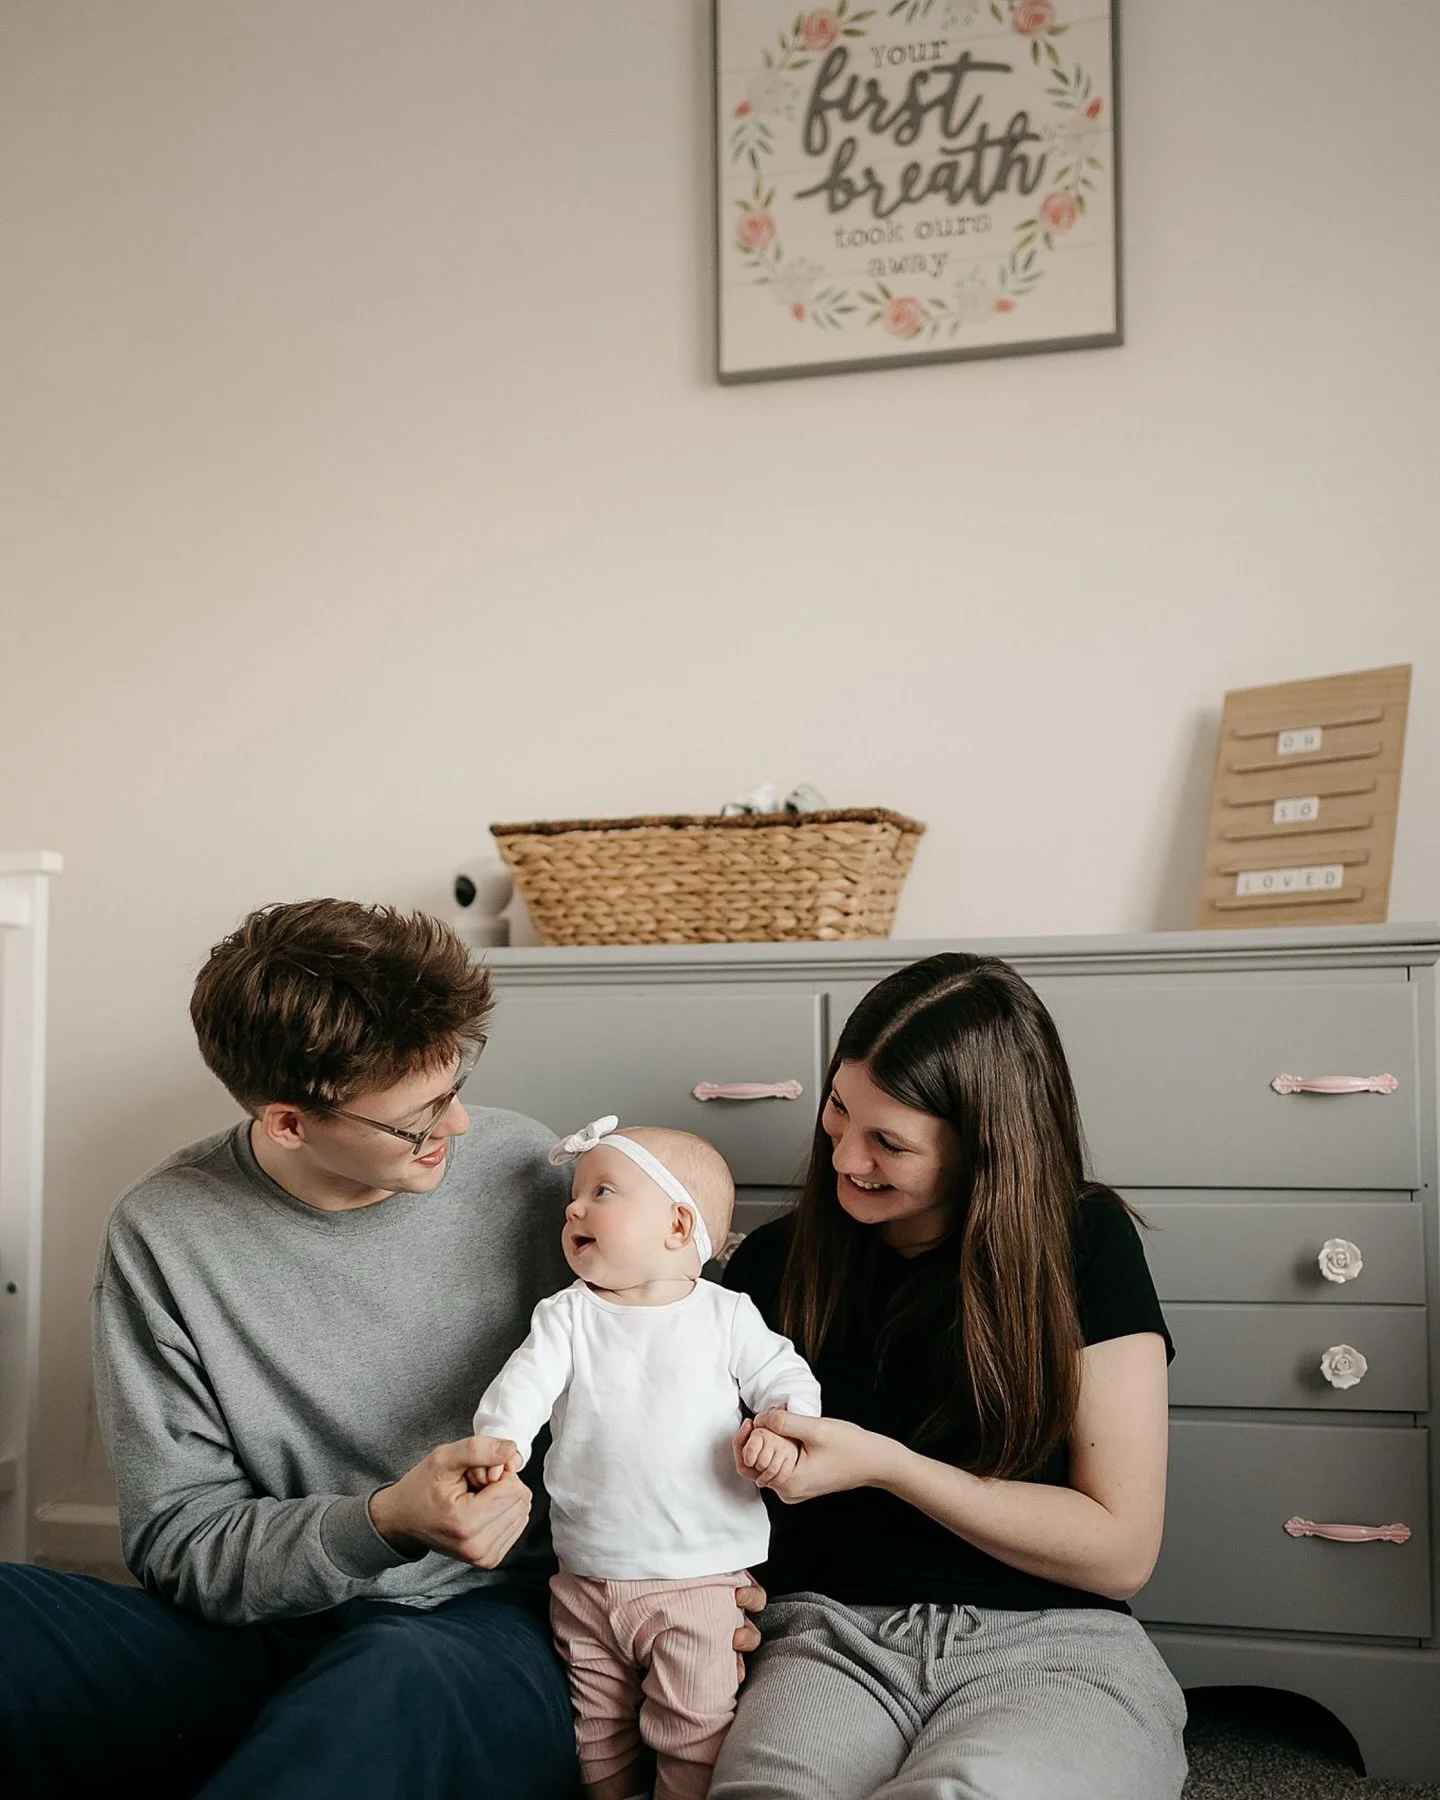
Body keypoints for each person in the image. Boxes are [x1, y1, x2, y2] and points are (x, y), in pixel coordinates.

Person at [0, 900, 763, 1800]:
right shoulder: (162, 1231)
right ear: (288, 1122)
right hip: (258, 1627)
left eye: (455, 1087)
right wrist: (385, 1522)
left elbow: (692, 1362)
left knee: (383, 1689)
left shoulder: (530, 1177)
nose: (462, 1127)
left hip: (482, 1628)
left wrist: (698, 1581)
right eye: (417, 1118)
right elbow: (180, 1542)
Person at [714, 952, 1189, 1800]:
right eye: (837, 1111)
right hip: (827, 1639)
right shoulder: (779, 1263)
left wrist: (889, 1466)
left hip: (1056, 1645)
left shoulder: (1085, 1244)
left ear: (984, 1147)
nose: (844, 1157)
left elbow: (1120, 1552)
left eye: (888, 1142)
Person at [472, 1116, 820, 1800]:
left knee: (694, 1729)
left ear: (677, 1226)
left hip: (698, 1581)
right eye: (577, 1192)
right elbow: (523, 1388)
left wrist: (784, 1430)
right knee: (596, 1734)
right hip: (587, 1579)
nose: (574, 1206)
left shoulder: (726, 1317)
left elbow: (787, 1380)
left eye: (603, 1191)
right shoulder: (567, 1316)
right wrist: (501, 1446)